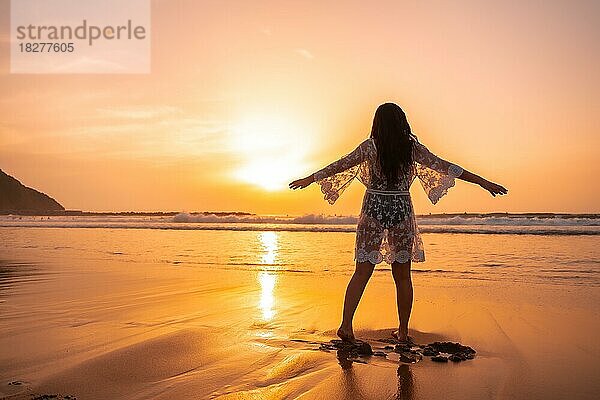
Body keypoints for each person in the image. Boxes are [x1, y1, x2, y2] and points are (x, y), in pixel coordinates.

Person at [289, 103, 507, 343]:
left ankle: (346, 327)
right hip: (401, 209)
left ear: (377, 123)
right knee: (403, 276)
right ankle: (402, 332)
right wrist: (483, 182)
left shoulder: (369, 147)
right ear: (402, 122)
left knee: (362, 271)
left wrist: (310, 178)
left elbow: (340, 165)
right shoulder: (411, 149)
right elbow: (446, 166)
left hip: (374, 207)